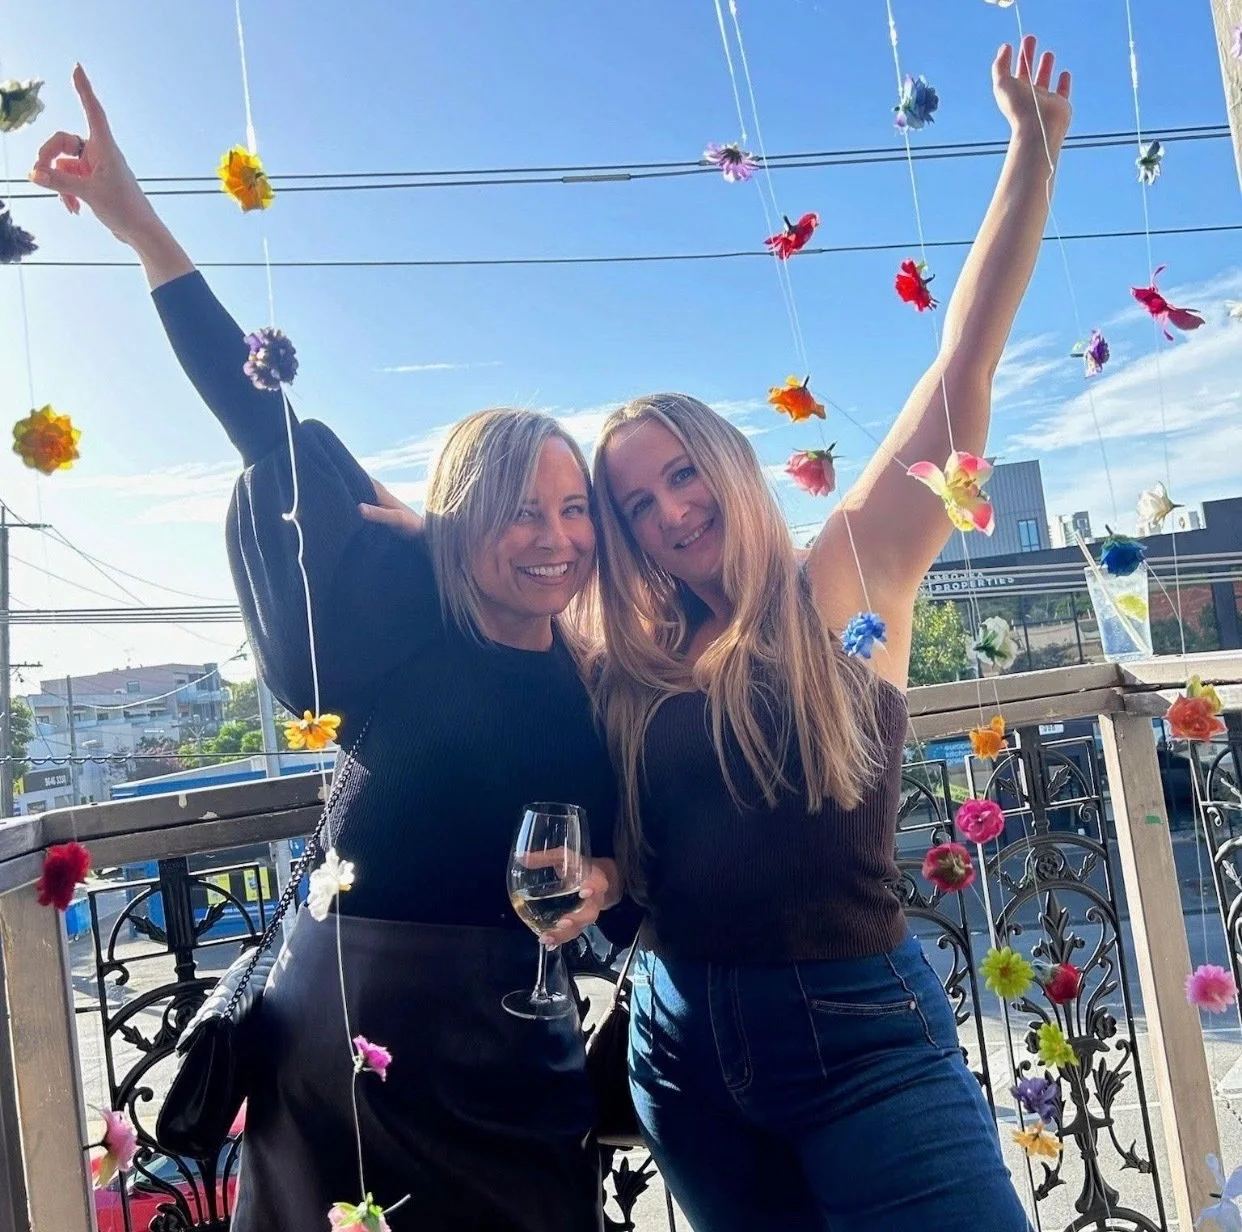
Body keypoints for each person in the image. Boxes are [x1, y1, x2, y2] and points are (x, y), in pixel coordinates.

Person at [33, 68, 620, 1232]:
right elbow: (262, 418)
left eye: (572, 507)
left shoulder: (603, 675)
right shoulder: (409, 606)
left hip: (516, 1051)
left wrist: (604, 883)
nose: (552, 538)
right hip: (350, 1041)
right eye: (518, 509)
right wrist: (141, 223)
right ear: (466, 521)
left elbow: (635, 868)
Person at [588, 37, 1071, 1232]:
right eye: (636, 504)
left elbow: (964, 362)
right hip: (681, 1042)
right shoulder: (629, 659)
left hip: (860, 1033)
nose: (669, 512)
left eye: (682, 474)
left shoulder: (846, 568)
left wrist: (1033, 150)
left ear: (732, 465)